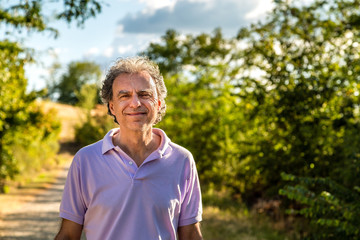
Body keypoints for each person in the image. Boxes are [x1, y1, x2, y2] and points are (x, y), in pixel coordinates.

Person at [55, 56, 203, 240]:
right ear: (112, 107)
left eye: (144, 94)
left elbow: (190, 235)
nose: (135, 103)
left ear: (158, 104)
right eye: (124, 96)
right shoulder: (85, 160)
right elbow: (68, 235)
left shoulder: (182, 160)